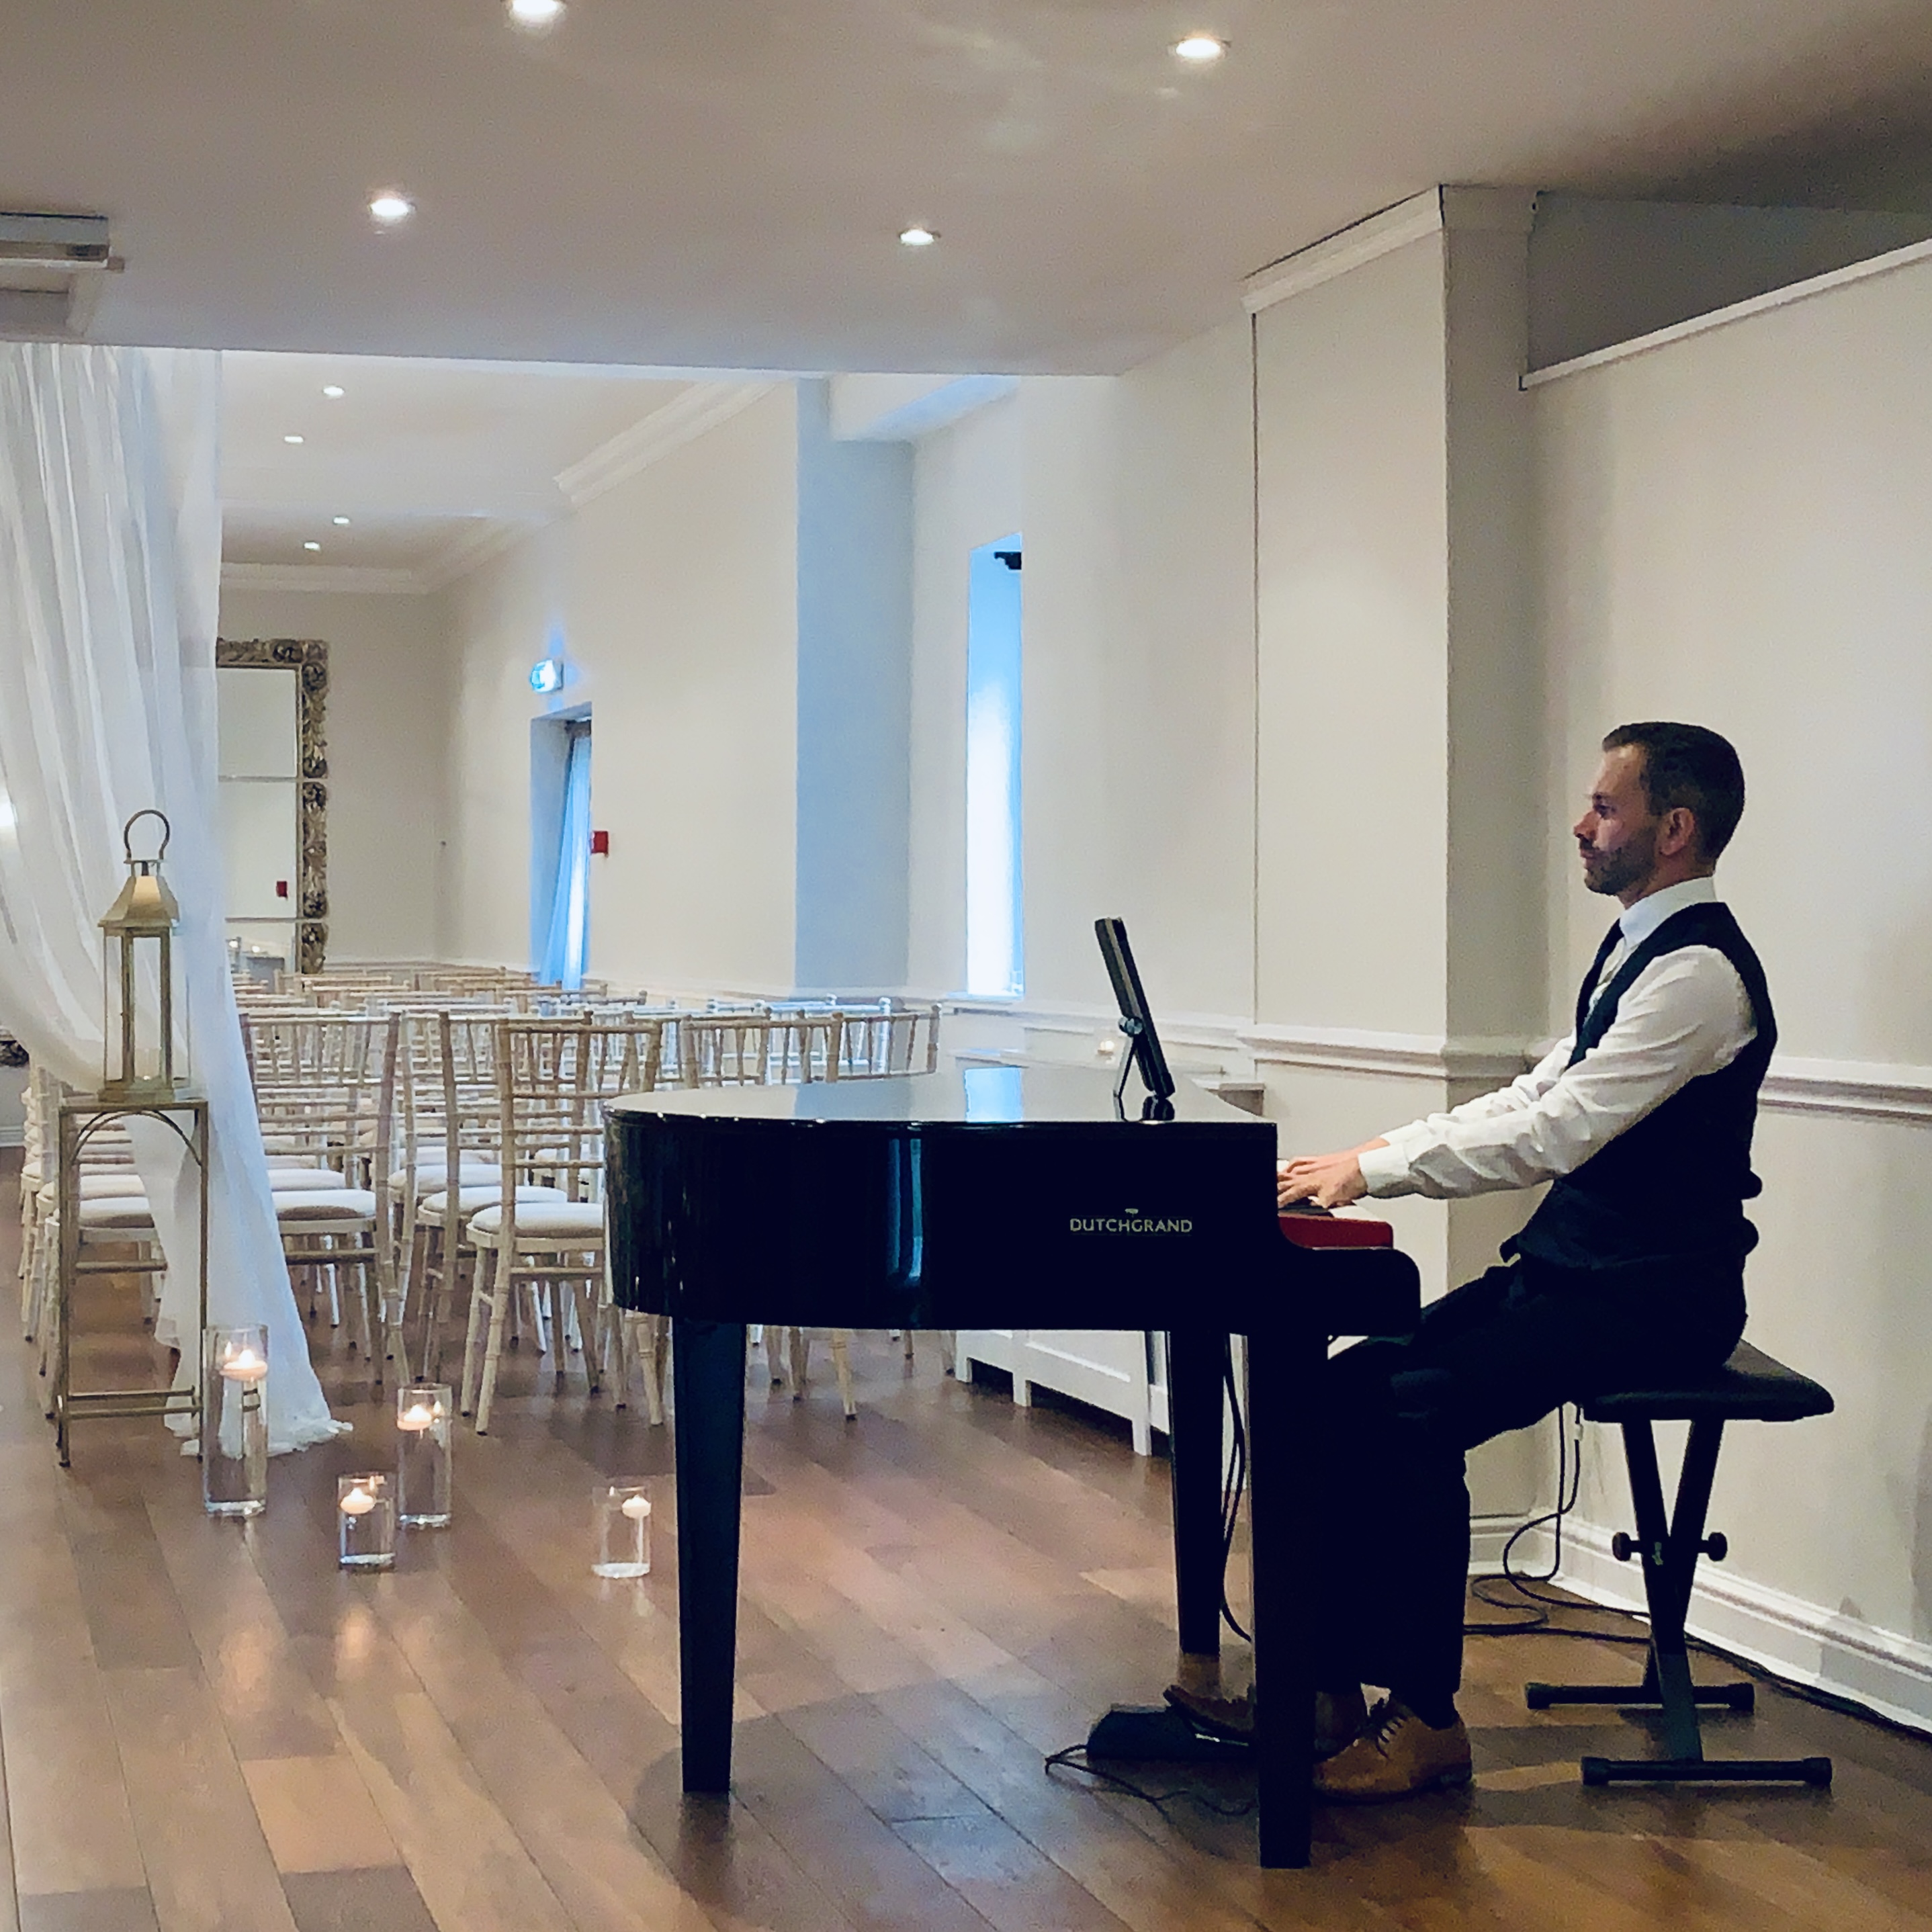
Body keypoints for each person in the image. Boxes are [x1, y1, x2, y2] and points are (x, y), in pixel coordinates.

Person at [1176, 721, 1774, 1801]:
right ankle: (1315, 1693)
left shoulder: (1697, 975)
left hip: (1650, 1297)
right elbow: (1536, 1094)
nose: (1584, 825)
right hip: (1585, 1276)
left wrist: (1376, 1176)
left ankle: (1427, 1722)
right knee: (1341, 1389)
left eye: (1607, 806)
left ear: (1673, 828)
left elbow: (1557, 1135)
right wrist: (1368, 1155)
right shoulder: (1644, 949)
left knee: (1403, 1405)